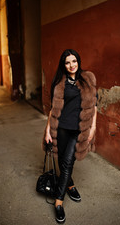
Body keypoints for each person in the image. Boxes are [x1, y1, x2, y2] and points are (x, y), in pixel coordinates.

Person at [43, 49, 97, 223]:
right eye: (67, 62)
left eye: (74, 61)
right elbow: (53, 109)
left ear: (78, 61)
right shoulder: (59, 83)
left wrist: (93, 127)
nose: (71, 65)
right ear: (63, 65)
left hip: (78, 130)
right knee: (62, 162)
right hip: (61, 128)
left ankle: (58, 202)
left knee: (67, 163)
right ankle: (70, 185)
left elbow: (94, 106)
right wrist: (47, 131)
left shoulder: (88, 79)